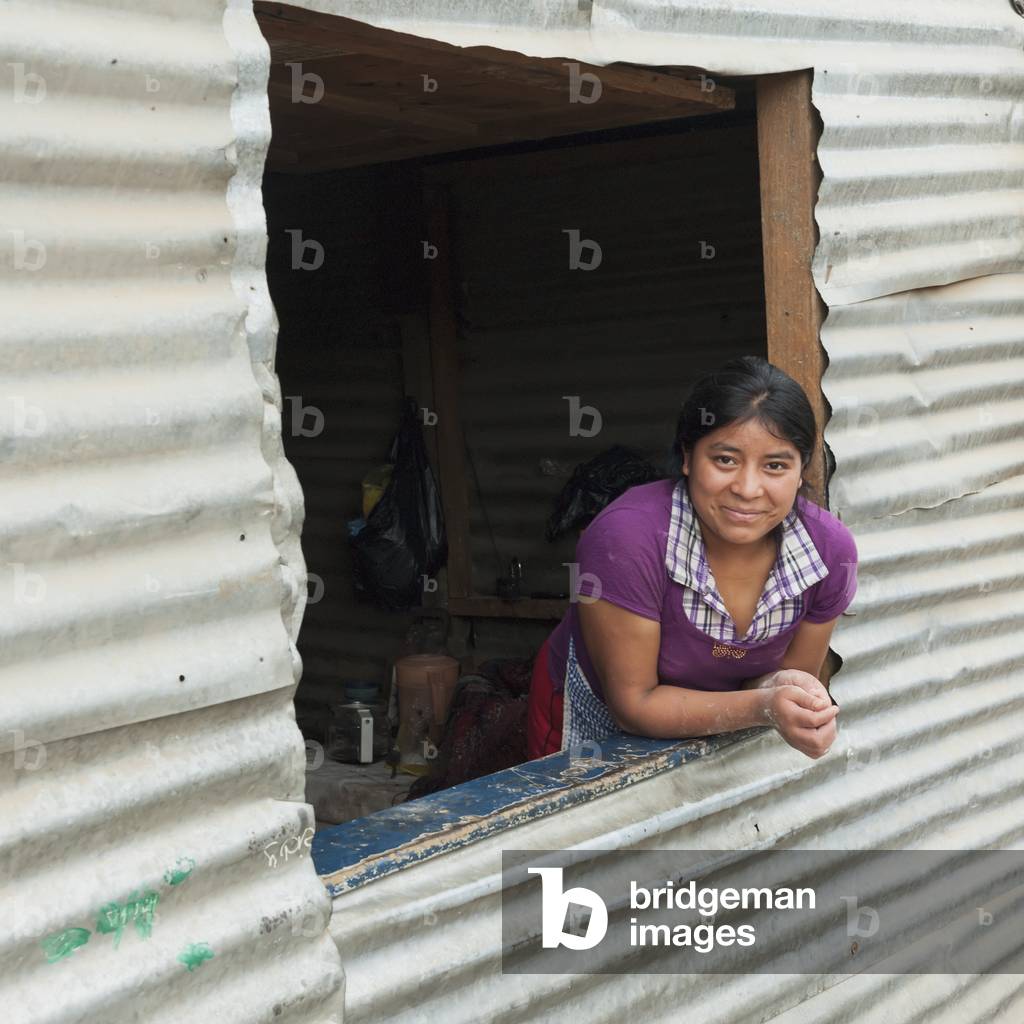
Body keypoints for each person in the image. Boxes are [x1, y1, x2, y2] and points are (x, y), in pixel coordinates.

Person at [526, 355, 857, 761]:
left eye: (775, 465)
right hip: (594, 710)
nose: (748, 489)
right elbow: (635, 704)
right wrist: (764, 706)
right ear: (687, 457)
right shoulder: (627, 539)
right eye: (725, 459)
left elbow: (783, 678)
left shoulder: (828, 553)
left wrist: (787, 688)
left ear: (801, 470)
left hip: (724, 712)